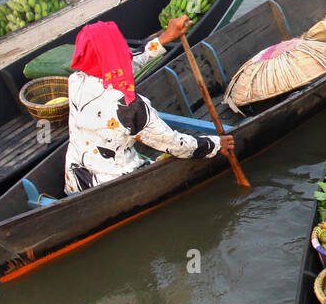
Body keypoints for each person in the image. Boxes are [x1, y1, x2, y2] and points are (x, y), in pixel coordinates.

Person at [64, 19, 234, 195]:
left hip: (75, 182)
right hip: (118, 188)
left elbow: (125, 65)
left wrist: (164, 39)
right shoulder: (128, 106)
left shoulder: (76, 80)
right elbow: (174, 143)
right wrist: (214, 144)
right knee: (178, 153)